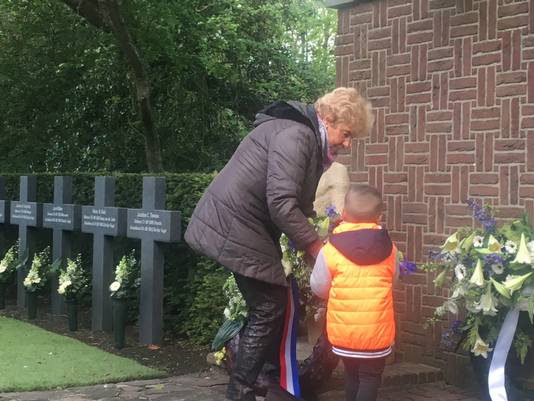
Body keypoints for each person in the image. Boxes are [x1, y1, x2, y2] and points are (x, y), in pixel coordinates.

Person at [184, 87, 374, 401]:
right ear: (328, 119)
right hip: (239, 225)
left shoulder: (302, 135)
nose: (348, 143)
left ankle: (260, 378)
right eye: (347, 133)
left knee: (271, 305)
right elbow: (282, 204)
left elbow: (297, 207)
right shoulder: (297, 137)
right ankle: (241, 389)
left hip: (242, 225)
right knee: (270, 307)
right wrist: (317, 249)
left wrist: (323, 241)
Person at [310, 184, 398, 401]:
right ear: (379, 217)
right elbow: (392, 280)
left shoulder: (330, 250)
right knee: (370, 376)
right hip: (377, 331)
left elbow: (319, 288)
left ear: (343, 214)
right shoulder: (390, 249)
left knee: (351, 373)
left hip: (344, 332)